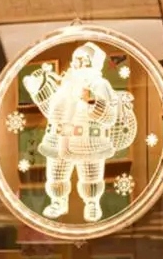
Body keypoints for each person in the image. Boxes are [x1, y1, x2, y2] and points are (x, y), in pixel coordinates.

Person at [22, 41, 136, 222]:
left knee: (91, 177)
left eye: (84, 60)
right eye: (76, 60)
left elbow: (109, 117)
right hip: (59, 139)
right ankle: (58, 201)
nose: (79, 64)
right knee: (56, 176)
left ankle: (92, 203)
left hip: (90, 140)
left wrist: (90, 101)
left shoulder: (101, 85)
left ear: (93, 63)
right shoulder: (65, 85)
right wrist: (39, 90)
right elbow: (51, 111)